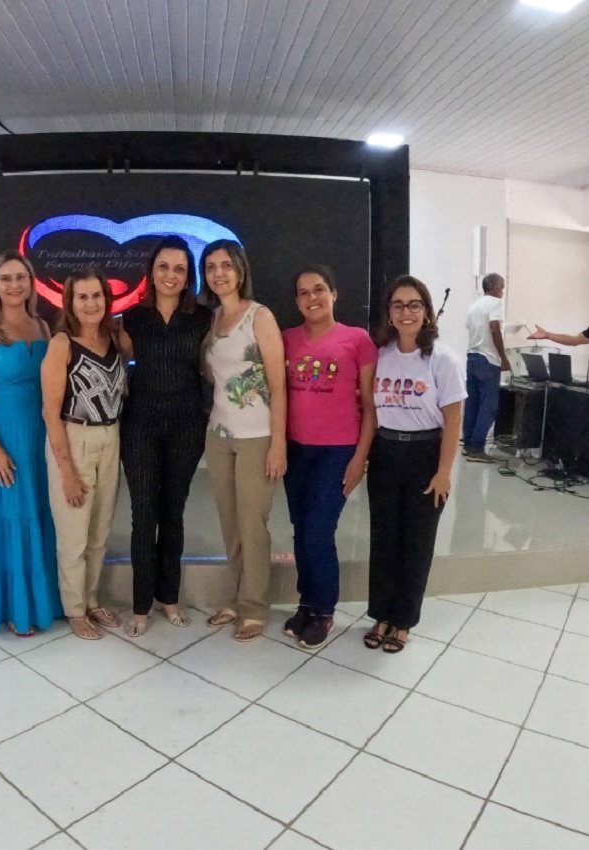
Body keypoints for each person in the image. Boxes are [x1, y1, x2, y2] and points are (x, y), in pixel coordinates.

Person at [116, 236, 214, 638]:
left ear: (188, 276)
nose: (171, 275)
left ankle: (169, 597)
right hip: (140, 425)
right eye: (163, 267)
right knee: (143, 515)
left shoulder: (203, 318)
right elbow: (116, 364)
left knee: (173, 513)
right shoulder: (132, 318)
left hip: (187, 425)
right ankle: (141, 605)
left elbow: (210, 368)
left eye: (179, 268)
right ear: (151, 272)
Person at [366, 275, 466, 654]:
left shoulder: (442, 358)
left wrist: (443, 473)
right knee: (384, 539)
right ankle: (381, 615)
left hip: (425, 455)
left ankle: (404, 620)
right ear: (389, 313)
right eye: (398, 305)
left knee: (416, 543)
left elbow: (453, 420)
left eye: (414, 305)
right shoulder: (381, 354)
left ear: (426, 311)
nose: (406, 312)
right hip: (386, 453)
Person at [281, 265, 378, 648]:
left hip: (338, 451)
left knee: (320, 530)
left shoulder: (357, 340)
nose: (312, 298)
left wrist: (360, 458)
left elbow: (370, 406)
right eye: (304, 292)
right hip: (295, 449)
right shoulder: (286, 339)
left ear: (334, 294)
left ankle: (324, 610)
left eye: (319, 289)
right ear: (297, 301)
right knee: (301, 528)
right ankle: (307, 603)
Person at [0, 250, 60, 636]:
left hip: (39, 438)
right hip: (1, 437)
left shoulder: (42, 326)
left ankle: (42, 601)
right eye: (5, 278)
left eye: (20, 276)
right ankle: (11, 606)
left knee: (38, 517)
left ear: (31, 282)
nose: (14, 284)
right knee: (9, 521)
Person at [200, 241, 287, 643]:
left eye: (226, 265)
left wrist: (278, 443)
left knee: (253, 525)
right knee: (231, 524)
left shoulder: (260, 316)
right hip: (219, 435)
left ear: (240, 270)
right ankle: (236, 599)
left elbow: (279, 385)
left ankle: (254, 608)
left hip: (257, 436)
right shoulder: (214, 318)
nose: (219, 273)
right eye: (211, 266)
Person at [41, 269, 127, 640]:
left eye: (97, 296)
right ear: (70, 303)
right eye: (83, 297)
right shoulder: (62, 344)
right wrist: (67, 473)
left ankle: (91, 599)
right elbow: (50, 412)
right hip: (74, 437)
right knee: (73, 535)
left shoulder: (114, 338)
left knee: (99, 532)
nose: (91, 304)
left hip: (111, 436)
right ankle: (74, 609)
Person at [463, 273, 510, 462]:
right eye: (502, 287)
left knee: (472, 404)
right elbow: (494, 328)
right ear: (496, 287)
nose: (503, 292)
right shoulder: (496, 303)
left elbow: (473, 329)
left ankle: (468, 445)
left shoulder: (474, 306)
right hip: (488, 360)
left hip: (472, 357)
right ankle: (477, 448)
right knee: (489, 406)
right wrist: (503, 357)